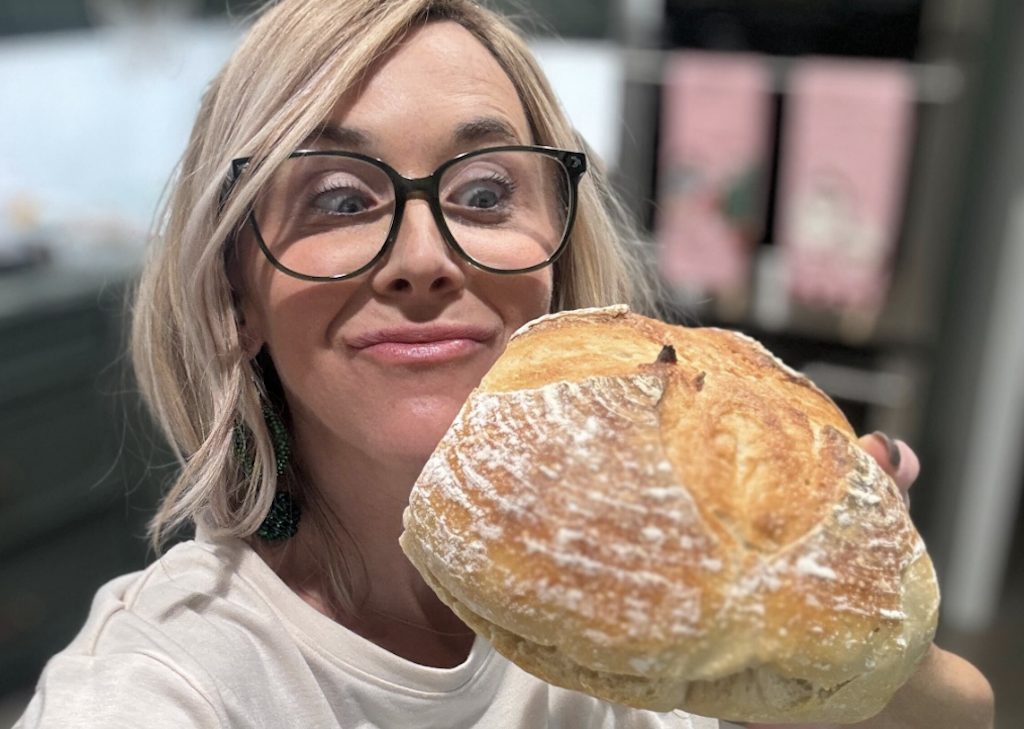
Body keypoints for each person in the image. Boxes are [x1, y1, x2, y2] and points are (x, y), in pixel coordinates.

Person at [15, 1, 994, 727]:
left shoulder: (653, 593)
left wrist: (847, 629)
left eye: (483, 193)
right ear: (237, 301)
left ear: (558, 270)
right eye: (340, 199)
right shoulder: (162, 684)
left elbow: (964, 710)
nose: (423, 258)